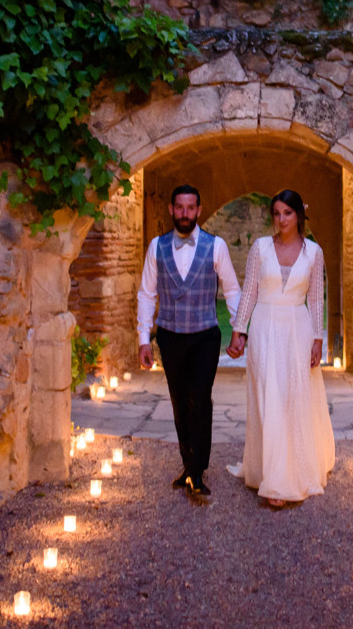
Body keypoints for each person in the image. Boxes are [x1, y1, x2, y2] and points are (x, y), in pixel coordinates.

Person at [226, 190, 336, 506]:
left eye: (287, 213)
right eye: (276, 213)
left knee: (293, 394)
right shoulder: (260, 248)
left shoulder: (314, 252)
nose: (281, 219)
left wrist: (318, 338)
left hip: (297, 327)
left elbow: (316, 298)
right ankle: (272, 477)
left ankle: (294, 469)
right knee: (267, 394)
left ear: (299, 215)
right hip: (264, 324)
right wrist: (239, 330)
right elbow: (249, 291)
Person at [136, 184, 241, 497]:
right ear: (171, 210)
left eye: (190, 208)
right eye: (179, 208)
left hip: (205, 334)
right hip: (169, 335)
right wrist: (144, 338)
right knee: (179, 401)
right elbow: (146, 293)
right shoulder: (156, 247)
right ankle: (188, 463)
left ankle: (198, 469)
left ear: (198, 209)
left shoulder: (216, 245)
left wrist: (238, 329)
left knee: (199, 396)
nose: (184, 213)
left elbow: (232, 289)